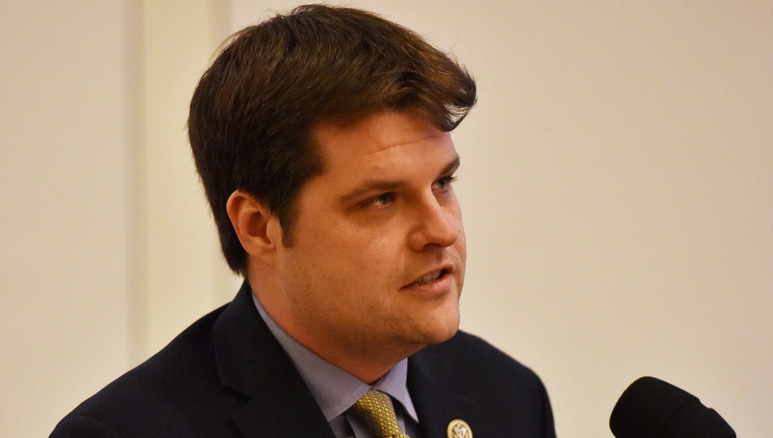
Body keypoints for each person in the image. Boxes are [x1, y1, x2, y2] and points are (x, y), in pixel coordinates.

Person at [51, 4, 555, 437]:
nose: (442, 231)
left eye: (443, 183)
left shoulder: (507, 397)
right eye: (382, 199)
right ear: (257, 226)